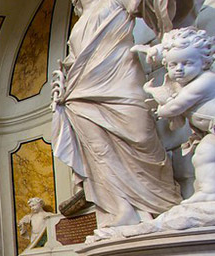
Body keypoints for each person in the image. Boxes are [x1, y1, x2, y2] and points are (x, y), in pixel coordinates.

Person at [51, 0, 187, 228]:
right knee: (99, 153)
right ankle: (120, 209)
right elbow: (72, 59)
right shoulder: (80, 20)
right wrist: (61, 81)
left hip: (120, 77)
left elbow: (155, 7)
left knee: (141, 135)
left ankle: (164, 205)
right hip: (79, 91)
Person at [136, 27, 215, 204]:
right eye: (172, 65)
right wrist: (157, 50)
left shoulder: (205, 81)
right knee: (204, 155)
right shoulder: (186, 84)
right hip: (210, 133)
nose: (178, 69)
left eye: (187, 64)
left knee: (206, 154)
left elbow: (176, 107)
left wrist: (162, 110)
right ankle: (209, 192)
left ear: (203, 62)